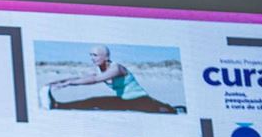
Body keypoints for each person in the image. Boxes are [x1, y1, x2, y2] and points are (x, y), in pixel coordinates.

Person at [48, 45, 176, 113]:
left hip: (140, 100)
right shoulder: (98, 69)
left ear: (106, 57)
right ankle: (58, 105)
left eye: (95, 55)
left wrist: (69, 83)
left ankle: (172, 109)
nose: (92, 58)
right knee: (94, 101)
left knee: (164, 110)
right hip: (124, 100)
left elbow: (95, 80)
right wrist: (61, 82)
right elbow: (83, 77)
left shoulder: (116, 68)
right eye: (91, 55)